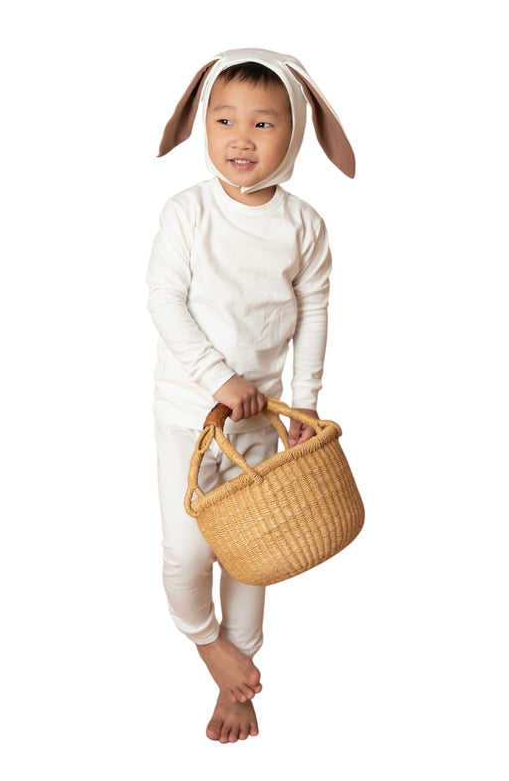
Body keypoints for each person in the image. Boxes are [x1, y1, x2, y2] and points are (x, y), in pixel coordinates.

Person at [146, 48, 354, 743]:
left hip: (262, 420)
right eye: (225, 118)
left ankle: (244, 672)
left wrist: (307, 400)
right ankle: (207, 643)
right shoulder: (189, 212)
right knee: (187, 552)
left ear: (293, 136)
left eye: (264, 124)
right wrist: (218, 379)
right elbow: (165, 302)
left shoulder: (304, 225)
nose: (242, 138)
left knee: (252, 550)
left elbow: (314, 311)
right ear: (203, 126)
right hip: (188, 413)